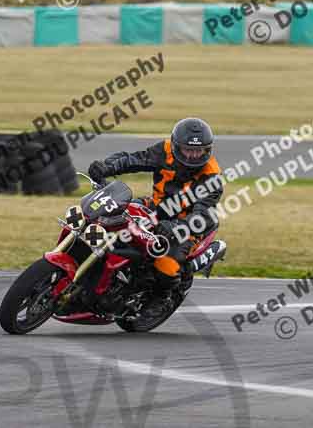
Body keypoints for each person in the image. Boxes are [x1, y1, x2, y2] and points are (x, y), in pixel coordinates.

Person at [87, 117, 223, 308]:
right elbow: (134, 160)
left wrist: (179, 226)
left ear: (207, 150)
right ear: (176, 146)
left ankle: (161, 299)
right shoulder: (164, 151)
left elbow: (204, 214)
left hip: (187, 226)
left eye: (198, 151)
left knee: (166, 265)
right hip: (156, 208)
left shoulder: (212, 176)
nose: (193, 156)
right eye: (188, 150)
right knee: (110, 214)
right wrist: (107, 167)